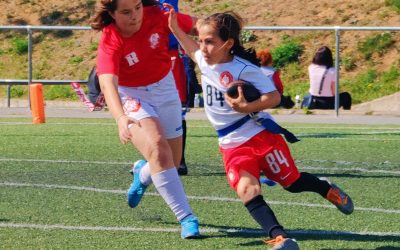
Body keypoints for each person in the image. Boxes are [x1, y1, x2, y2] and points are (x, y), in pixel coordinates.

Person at [167, 8, 354, 249]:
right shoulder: (204, 59)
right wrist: (174, 28)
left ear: (228, 44)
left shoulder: (245, 70)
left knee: (292, 183)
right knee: (248, 189)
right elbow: (191, 48)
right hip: (231, 143)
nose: (203, 47)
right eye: (201, 40)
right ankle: (280, 237)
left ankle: (325, 188)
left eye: (210, 42)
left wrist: (248, 106)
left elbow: (274, 97)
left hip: (259, 134)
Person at [91, 0, 200, 239]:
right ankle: (187, 217)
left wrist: (220, 40)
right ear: (112, 13)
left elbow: (198, 25)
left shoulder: (160, 14)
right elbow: (107, 83)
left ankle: (142, 173)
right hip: (133, 93)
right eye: (126, 12)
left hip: (165, 87)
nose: (135, 16)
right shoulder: (110, 39)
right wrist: (120, 117)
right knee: (159, 149)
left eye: (138, 8)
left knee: (172, 160)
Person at [158, 0, 189, 176]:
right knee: (150, 109)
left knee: (177, 108)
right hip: (148, 52)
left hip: (170, 53)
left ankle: (180, 161)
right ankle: (153, 158)